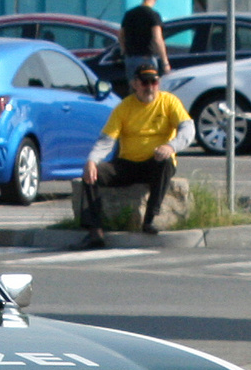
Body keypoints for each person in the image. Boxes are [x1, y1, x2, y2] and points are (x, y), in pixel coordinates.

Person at [77, 63, 195, 247]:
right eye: (145, 82)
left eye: (154, 82)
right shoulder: (124, 107)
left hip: (156, 162)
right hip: (128, 164)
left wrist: (171, 147)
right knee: (91, 173)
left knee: (164, 162)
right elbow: (106, 140)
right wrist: (92, 160)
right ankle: (95, 231)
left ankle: (150, 219)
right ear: (135, 84)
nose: (150, 87)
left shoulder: (169, 102)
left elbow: (188, 129)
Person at [119, 0, 170, 83]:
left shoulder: (129, 14)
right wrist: (165, 62)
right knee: (148, 90)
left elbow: (121, 35)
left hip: (130, 59)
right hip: (147, 59)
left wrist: (123, 50)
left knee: (134, 92)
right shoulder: (153, 15)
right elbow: (157, 39)